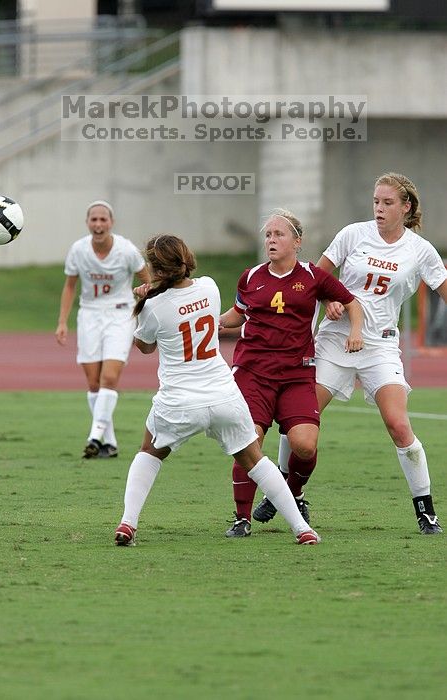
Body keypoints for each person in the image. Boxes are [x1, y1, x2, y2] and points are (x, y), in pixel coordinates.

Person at [254, 173, 447, 535]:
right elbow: (314, 279)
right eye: (376, 201)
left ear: (406, 207)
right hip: (335, 341)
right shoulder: (353, 234)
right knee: (299, 419)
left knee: (399, 425)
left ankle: (426, 510)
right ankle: (289, 491)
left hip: (381, 346)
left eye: (388, 203)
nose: (379, 208)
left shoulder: (420, 250)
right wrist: (329, 300)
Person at [114, 234, 320, 547]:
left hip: (179, 400)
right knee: (256, 460)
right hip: (223, 394)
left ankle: (128, 524)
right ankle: (301, 529)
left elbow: (145, 346)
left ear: (155, 269)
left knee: (149, 452)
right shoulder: (210, 287)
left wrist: (140, 301)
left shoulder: (152, 306)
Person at [219, 210, 364, 537]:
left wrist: (356, 330)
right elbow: (237, 314)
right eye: (268, 235)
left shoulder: (314, 277)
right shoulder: (250, 276)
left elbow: (351, 302)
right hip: (253, 372)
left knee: (305, 445)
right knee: (249, 441)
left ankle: (293, 493)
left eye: (278, 234)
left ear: (297, 242)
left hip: (297, 373)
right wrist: (212, 322)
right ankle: (242, 518)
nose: (271, 240)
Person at [55, 200, 150, 459]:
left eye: (103, 219)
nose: (98, 224)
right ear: (88, 223)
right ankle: (108, 443)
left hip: (120, 314)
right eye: (93, 219)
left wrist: (146, 313)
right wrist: (63, 321)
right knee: (94, 383)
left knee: (109, 378)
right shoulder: (78, 250)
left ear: (111, 222)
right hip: (89, 316)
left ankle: (94, 436)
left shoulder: (126, 250)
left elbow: (148, 282)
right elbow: (70, 286)